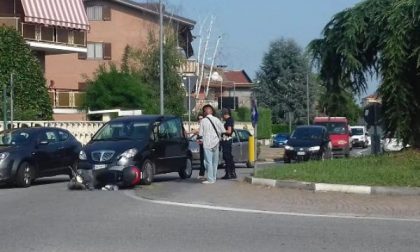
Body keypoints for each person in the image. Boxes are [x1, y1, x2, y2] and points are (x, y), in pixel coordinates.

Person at [199, 104, 225, 184]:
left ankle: (210, 179)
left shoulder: (203, 121)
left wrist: (200, 139)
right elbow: (223, 130)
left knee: (208, 161)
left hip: (207, 143)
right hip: (216, 143)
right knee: (215, 161)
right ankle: (213, 177)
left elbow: (201, 133)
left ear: (204, 112)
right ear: (212, 111)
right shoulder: (217, 120)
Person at [221, 108, 236, 179]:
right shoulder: (230, 120)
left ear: (224, 114)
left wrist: (222, 130)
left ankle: (228, 173)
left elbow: (229, 131)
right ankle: (232, 172)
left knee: (227, 157)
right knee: (229, 157)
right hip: (227, 141)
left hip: (227, 140)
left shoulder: (229, 120)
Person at [191, 114, 206, 179]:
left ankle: (204, 174)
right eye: (199, 119)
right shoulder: (201, 126)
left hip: (206, 145)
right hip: (201, 144)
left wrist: (189, 132)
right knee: (202, 159)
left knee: (206, 160)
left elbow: (198, 131)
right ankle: (202, 173)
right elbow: (197, 132)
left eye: (201, 118)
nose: (200, 120)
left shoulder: (204, 126)